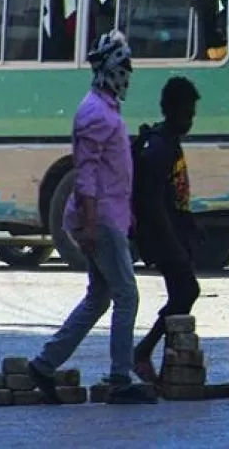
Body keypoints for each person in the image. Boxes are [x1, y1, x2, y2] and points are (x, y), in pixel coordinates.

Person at [27, 31, 157, 406]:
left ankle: (45, 363)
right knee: (126, 294)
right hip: (99, 219)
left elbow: (109, 172)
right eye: (124, 69)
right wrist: (87, 225)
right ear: (111, 71)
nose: (128, 77)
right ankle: (119, 379)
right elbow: (85, 177)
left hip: (109, 216)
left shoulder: (106, 109)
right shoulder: (95, 114)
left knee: (99, 297)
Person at [132, 76, 203, 384]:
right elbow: (152, 202)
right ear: (171, 110)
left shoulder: (170, 142)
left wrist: (191, 226)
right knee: (187, 291)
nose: (190, 119)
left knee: (182, 294)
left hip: (173, 233)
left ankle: (169, 367)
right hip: (162, 236)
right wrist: (171, 243)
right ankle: (143, 351)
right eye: (185, 112)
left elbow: (174, 197)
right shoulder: (159, 147)